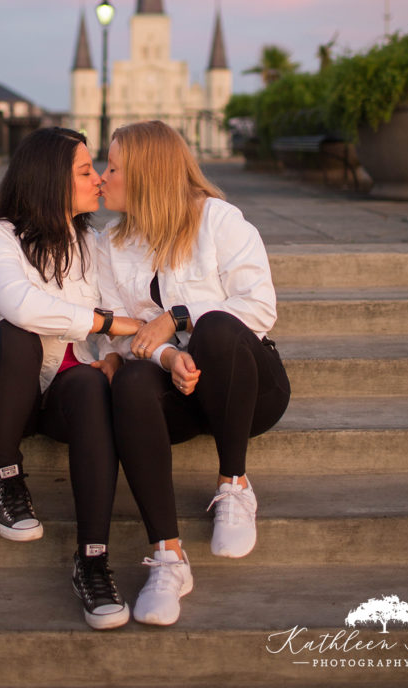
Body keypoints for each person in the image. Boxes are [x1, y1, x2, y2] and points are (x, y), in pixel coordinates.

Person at [97, 120, 290, 626]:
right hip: (179, 391)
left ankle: (234, 484)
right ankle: (168, 555)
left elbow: (260, 307)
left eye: (114, 167)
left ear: (146, 174)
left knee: (220, 328)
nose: (102, 176)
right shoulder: (110, 244)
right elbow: (118, 333)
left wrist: (179, 317)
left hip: (248, 386)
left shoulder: (219, 221)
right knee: (133, 382)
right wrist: (165, 355)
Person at [0, 127, 141, 630]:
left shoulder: (91, 242)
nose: (99, 179)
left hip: (57, 392)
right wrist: (103, 324)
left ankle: (93, 559)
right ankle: (6, 478)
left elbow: (127, 310)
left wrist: (117, 354)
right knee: (19, 334)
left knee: (90, 384)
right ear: (49, 180)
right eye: (86, 171)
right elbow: (21, 304)